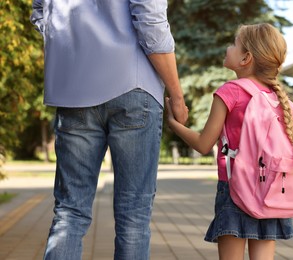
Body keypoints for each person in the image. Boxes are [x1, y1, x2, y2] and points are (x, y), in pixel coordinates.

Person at [30, 1, 188, 259]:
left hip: (73, 90)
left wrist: (72, 45)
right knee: (134, 214)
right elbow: (151, 22)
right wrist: (177, 96)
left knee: (69, 211)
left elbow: (40, 13)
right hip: (134, 86)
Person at [165, 23, 293, 260]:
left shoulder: (230, 92)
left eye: (234, 44)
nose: (228, 48)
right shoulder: (276, 98)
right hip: (269, 189)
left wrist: (174, 124)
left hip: (234, 189)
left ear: (246, 58)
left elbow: (203, 144)